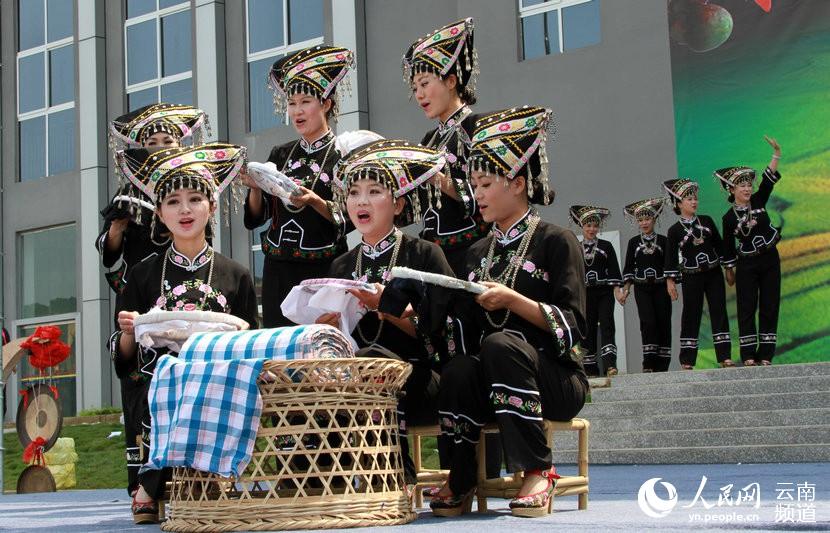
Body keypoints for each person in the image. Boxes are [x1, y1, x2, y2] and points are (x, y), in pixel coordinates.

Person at [431, 106, 588, 518]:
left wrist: (514, 301)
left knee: (501, 344)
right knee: (461, 368)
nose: (477, 194)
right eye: (473, 185)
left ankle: (538, 469)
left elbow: (573, 327)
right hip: (494, 378)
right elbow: (462, 327)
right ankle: (461, 477)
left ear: (517, 183)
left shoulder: (557, 240)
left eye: (485, 184)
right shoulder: (476, 253)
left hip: (555, 377)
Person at [109, 143, 258, 524]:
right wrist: (130, 329)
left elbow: (250, 343)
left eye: (195, 199)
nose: (185, 210)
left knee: (204, 380)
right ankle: (172, 482)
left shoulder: (236, 274)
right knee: (171, 378)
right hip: (158, 378)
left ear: (212, 205)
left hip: (219, 379)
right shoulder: (141, 275)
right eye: (173, 202)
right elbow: (123, 357)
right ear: (159, 213)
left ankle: (151, 486)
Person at [320, 139, 454, 484]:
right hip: (353, 378)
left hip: (419, 377)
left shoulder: (425, 255)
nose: (361, 201)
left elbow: (440, 331)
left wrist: (388, 309)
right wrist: (327, 326)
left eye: (374, 191)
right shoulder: (341, 263)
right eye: (353, 193)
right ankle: (327, 482)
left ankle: (396, 476)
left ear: (398, 204)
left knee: (371, 361)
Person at [97, 102, 208, 501]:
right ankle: (141, 479)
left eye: (168, 141)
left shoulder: (192, 187)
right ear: (138, 149)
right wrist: (118, 224)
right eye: (152, 143)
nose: (160, 148)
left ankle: (192, 472)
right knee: (136, 383)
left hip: (184, 290)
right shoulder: (126, 191)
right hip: (138, 294)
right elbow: (109, 254)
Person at [241, 45, 354, 327]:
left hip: (322, 267)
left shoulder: (344, 156)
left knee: (321, 346)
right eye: (292, 103)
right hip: (277, 266)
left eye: (305, 102)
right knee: (280, 346)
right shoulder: (281, 154)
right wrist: (255, 187)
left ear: (326, 104)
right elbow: (257, 217)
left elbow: (350, 217)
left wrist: (315, 201)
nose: (297, 111)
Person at [402, 17, 489, 276]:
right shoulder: (428, 140)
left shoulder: (478, 128)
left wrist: (436, 178)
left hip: (471, 251)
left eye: (425, 84)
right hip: (432, 253)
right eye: (415, 87)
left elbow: (489, 197)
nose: (419, 94)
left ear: (451, 81)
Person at [717, 136, 783, 366]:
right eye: (742, 185)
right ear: (732, 189)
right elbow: (727, 248)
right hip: (746, 265)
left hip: (770, 259)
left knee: (769, 305)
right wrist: (729, 271)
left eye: (748, 185)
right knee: (746, 308)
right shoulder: (727, 218)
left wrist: (776, 154)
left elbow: (768, 181)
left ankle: (766, 355)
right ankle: (748, 356)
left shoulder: (758, 200)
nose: (747, 188)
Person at [664, 178, 733, 369]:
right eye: (688, 199)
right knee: (691, 314)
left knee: (719, 311)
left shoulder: (707, 221)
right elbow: (670, 258)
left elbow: (720, 247)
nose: (694, 202)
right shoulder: (674, 231)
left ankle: (724, 357)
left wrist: (728, 269)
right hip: (691, 276)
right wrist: (670, 282)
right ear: (679, 203)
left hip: (713, 274)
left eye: (695, 198)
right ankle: (687, 360)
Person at [569, 205, 624, 377]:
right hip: (585, 295)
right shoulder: (575, 247)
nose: (592, 229)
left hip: (604, 292)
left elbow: (614, 270)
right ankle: (589, 369)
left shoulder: (606, 246)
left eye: (595, 226)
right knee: (587, 328)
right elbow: (572, 273)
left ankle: (610, 366)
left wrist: (617, 290)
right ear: (581, 226)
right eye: (588, 226)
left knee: (607, 324)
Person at [621, 197, 672, 372]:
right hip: (641, 288)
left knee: (663, 322)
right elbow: (628, 267)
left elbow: (669, 266)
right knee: (648, 322)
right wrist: (625, 289)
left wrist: (670, 285)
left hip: (661, 287)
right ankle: (648, 363)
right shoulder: (633, 242)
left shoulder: (664, 241)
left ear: (655, 219)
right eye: (640, 220)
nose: (644, 223)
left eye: (647, 219)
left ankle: (663, 363)